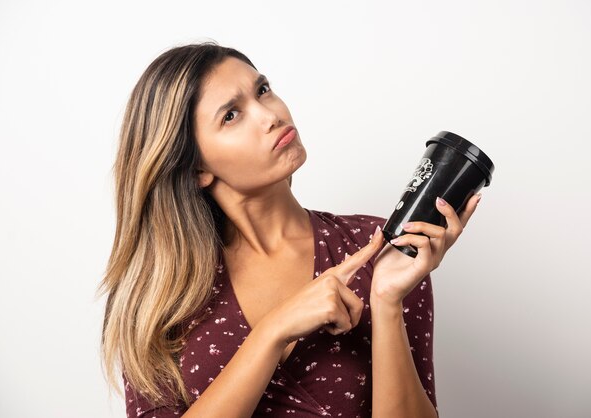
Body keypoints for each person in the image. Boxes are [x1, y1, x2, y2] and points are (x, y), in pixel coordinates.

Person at [99, 41, 481, 418]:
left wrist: (386, 300)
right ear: (196, 168)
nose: (269, 115)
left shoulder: (380, 247)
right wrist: (273, 332)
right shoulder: (156, 296)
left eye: (262, 90)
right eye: (231, 115)